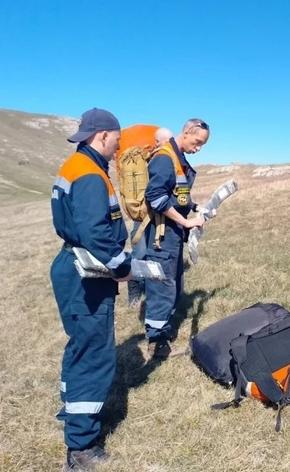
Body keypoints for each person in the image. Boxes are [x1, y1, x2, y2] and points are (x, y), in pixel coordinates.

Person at [49, 108, 132, 470]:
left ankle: (73, 413)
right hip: (87, 274)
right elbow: (95, 232)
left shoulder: (77, 166)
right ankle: (80, 447)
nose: (119, 146)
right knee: (94, 356)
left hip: (74, 267)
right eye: (116, 139)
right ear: (102, 135)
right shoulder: (88, 174)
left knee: (80, 346)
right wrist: (122, 268)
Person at [140, 119, 210, 357]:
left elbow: (178, 196)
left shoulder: (178, 160)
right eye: (197, 141)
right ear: (186, 132)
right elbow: (156, 198)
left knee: (175, 285)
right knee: (162, 287)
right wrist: (187, 222)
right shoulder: (164, 158)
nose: (198, 148)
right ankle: (157, 342)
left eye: (202, 145)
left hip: (173, 234)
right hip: (162, 236)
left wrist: (196, 206)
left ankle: (165, 331)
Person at [121, 125, 175, 308]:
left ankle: (154, 290)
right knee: (140, 254)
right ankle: (135, 292)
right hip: (143, 217)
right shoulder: (151, 159)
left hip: (160, 215)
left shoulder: (166, 158)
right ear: (158, 141)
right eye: (167, 142)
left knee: (154, 253)